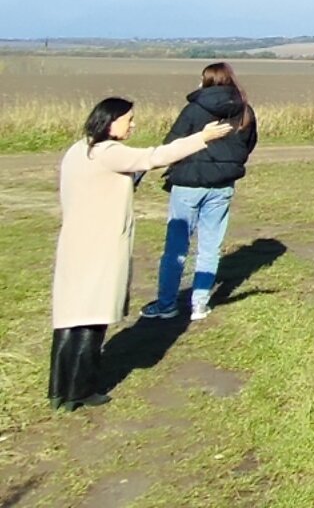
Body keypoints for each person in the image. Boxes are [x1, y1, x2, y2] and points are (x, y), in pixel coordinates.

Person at [52, 97, 234, 411]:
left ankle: (60, 390)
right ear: (110, 121)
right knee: (91, 320)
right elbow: (155, 157)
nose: (132, 124)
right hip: (99, 247)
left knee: (70, 318)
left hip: (75, 243)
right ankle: (81, 390)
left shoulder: (78, 150)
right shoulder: (110, 153)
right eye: (128, 119)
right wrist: (202, 138)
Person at [140, 62, 259, 322]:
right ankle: (200, 305)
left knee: (176, 248)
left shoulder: (194, 110)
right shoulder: (245, 111)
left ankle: (166, 303)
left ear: (205, 81)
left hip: (187, 184)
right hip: (222, 186)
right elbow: (249, 144)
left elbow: (171, 144)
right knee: (210, 247)